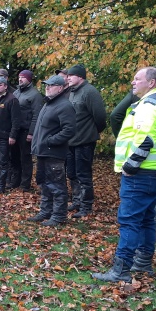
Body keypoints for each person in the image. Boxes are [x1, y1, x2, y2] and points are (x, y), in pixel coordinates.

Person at [92, 67, 156, 282]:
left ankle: (121, 269)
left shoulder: (150, 105)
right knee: (147, 217)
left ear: (151, 83)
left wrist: (131, 166)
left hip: (142, 172)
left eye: (137, 79)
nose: (133, 82)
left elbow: (145, 139)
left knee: (129, 220)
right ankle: (143, 262)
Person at [27, 75, 76, 226]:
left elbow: (69, 130)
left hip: (54, 153)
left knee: (56, 185)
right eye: (46, 85)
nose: (47, 88)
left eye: (51, 85)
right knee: (44, 184)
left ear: (60, 88)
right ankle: (46, 211)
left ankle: (59, 216)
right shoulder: (48, 103)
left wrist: (51, 141)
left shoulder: (64, 106)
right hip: (43, 151)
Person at [65, 64, 106, 218]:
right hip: (71, 141)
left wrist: (90, 132)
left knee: (83, 175)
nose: (68, 78)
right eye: (68, 75)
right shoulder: (72, 92)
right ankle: (77, 201)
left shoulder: (90, 92)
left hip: (84, 141)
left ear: (80, 77)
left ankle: (86, 206)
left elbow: (100, 117)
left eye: (71, 75)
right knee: (71, 173)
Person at [10, 70, 43, 191]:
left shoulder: (35, 95)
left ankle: (25, 184)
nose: (20, 79)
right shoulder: (16, 92)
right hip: (15, 130)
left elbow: (36, 115)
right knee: (14, 157)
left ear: (29, 79)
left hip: (26, 130)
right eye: (19, 77)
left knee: (25, 158)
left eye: (23, 77)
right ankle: (15, 181)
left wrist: (31, 132)